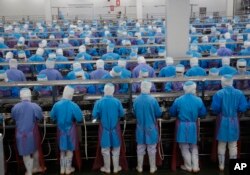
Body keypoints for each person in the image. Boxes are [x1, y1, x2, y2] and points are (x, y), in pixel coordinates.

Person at [211, 75, 248, 171]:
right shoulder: (239, 93)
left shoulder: (219, 94)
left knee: (221, 143)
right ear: (232, 82)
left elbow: (215, 109)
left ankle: (221, 166)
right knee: (233, 144)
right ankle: (235, 167)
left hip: (222, 120)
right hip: (234, 121)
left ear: (222, 82)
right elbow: (243, 107)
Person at [170, 81, 207, 173]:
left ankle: (188, 166)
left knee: (184, 147)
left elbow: (172, 113)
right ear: (194, 89)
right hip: (193, 126)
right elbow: (203, 113)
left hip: (182, 126)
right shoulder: (198, 100)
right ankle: (196, 167)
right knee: (194, 146)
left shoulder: (178, 100)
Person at [92, 83, 125, 174]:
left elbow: (94, 115)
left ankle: (107, 168)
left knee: (105, 149)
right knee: (116, 148)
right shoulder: (117, 101)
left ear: (104, 90)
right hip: (115, 128)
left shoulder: (99, 102)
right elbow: (122, 114)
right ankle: (116, 168)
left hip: (104, 128)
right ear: (113, 91)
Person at [11, 88, 45, 175]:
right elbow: (40, 117)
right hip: (32, 133)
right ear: (30, 96)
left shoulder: (15, 107)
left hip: (20, 133)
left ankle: (29, 172)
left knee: (25, 153)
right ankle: (36, 167)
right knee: (35, 150)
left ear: (20, 97)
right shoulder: (35, 106)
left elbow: (13, 118)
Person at [50, 86, 83, 174]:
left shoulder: (57, 104)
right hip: (71, 130)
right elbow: (79, 118)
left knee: (62, 150)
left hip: (60, 130)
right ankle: (68, 169)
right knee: (69, 150)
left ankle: (62, 169)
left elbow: (52, 116)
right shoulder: (74, 105)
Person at [133, 80, 162, 173]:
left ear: (141, 88)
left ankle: (140, 167)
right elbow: (158, 113)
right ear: (149, 88)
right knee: (152, 148)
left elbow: (134, 113)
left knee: (140, 148)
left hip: (140, 127)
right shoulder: (153, 100)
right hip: (151, 127)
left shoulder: (136, 100)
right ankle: (152, 168)